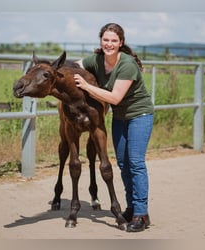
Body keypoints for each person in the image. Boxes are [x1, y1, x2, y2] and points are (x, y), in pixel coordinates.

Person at [74, 23, 154, 232]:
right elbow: (76, 65)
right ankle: (132, 207)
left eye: (113, 40)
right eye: (105, 40)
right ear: (101, 41)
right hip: (120, 118)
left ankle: (141, 213)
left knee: (135, 163)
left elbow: (115, 98)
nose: (109, 44)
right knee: (122, 163)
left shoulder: (127, 65)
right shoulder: (97, 59)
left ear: (121, 43)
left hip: (140, 115)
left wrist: (86, 86)